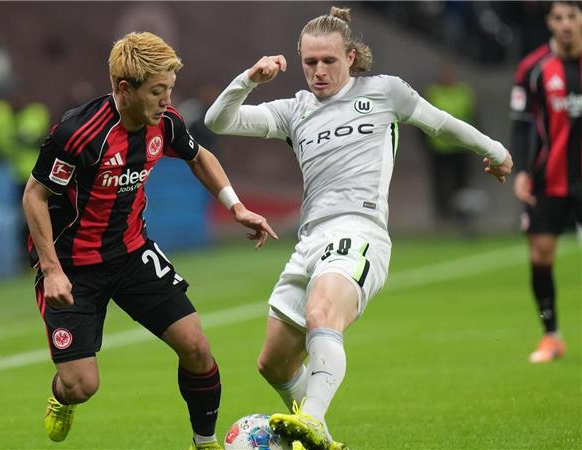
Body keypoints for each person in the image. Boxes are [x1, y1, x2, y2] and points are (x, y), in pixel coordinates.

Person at [205, 7, 512, 450]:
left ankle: (311, 418)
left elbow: (440, 122)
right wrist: (251, 78)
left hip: (360, 230)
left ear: (350, 57)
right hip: (310, 239)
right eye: (310, 62)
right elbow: (219, 121)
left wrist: (495, 149)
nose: (319, 71)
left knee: (321, 315)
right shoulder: (295, 110)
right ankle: (319, 436)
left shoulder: (384, 92)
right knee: (273, 362)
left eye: (329, 61)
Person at [22, 31, 277, 450]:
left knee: (196, 346)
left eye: (169, 89)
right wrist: (51, 270)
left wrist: (235, 207)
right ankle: (61, 394)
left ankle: (205, 441)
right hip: (73, 269)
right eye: (158, 91)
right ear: (124, 89)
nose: (166, 100)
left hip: (131, 253)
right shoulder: (79, 132)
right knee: (82, 385)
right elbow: (35, 194)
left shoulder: (165, 122)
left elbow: (199, 156)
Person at [509, 1, 581, 364]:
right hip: (547, 178)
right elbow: (521, 125)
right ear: (549, 22)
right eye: (559, 17)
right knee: (540, 256)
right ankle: (551, 335)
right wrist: (521, 169)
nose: (566, 24)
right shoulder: (533, 68)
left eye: (572, 16)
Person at [423, 62, 477, 225]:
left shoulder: (464, 92)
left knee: (462, 183)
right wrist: (426, 144)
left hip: (461, 147)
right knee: (440, 183)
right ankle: (442, 215)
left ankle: (462, 215)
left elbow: (473, 117)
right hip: (439, 148)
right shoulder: (433, 93)